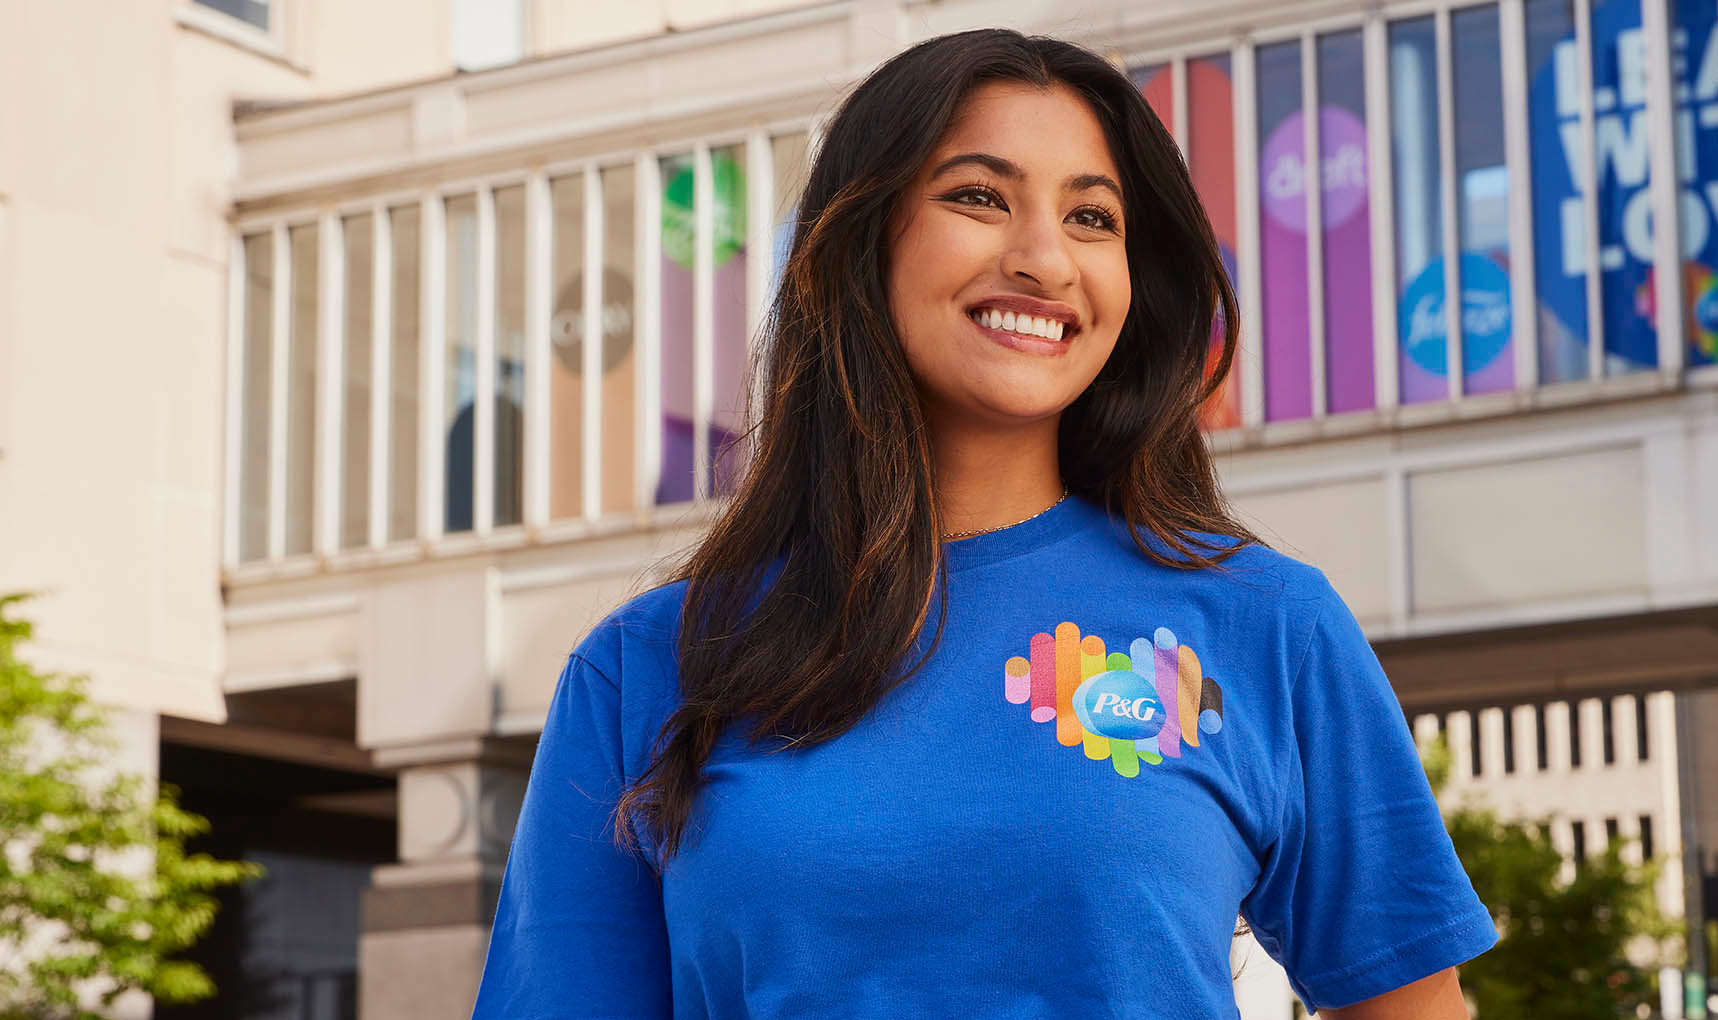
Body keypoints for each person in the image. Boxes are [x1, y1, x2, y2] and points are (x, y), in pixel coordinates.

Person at [469, 28, 1496, 1020]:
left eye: (1093, 219)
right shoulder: (650, 666)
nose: (1045, 258)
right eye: (977, 197)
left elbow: (1411, 1007)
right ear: (853, 246)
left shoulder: (1268, 628)